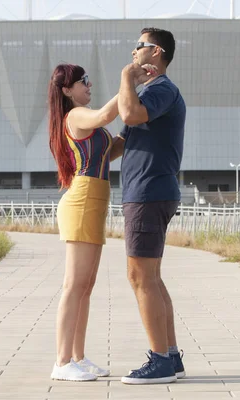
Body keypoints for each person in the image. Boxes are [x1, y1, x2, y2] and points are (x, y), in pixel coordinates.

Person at [47, 63, 155, 382]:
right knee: (74, 285)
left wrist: (134, 126)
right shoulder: (76, 115)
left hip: (93, 202)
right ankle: (62, 361)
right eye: (83, 82)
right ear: (67, 90)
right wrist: (127, 82)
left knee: (86, 286)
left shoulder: (83, 116)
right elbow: (106, 116)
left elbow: (110, 151)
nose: (88, 85)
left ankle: (77, 357)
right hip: (82, 202)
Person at [111, 27, 186, 385]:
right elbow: (120, 143)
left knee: (139, 276)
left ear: (155, 52)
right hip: (149, 191)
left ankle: (159, 361)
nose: (133, 51)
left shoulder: (160, 90)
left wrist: (127, 77)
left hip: (148, 192)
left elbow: (129, 116)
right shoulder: (149, 94)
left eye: (138, 46)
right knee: (151, 278)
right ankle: (170, 356)